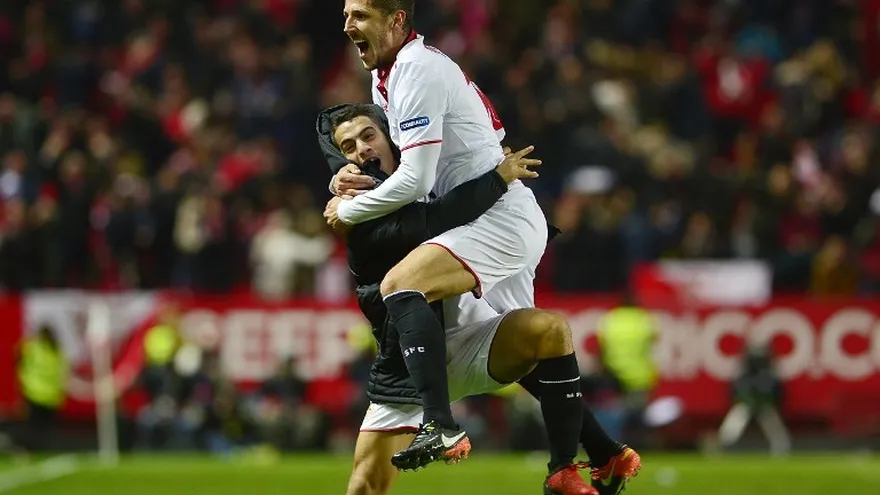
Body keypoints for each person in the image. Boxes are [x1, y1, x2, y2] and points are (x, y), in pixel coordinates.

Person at [318, 103, 640, 495]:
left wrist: (487, 169)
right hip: (411, 367)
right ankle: (446, 424)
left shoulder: (427, 174)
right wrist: (496, 179)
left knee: (549, 329)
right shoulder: (354, 210)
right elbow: (433, 220)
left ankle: (568, 467)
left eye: (368, 136)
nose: (362, 149)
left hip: (474, 340)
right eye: (348, 147)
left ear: (389, 136)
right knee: (366, 487)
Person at [325, 0, 553, 471]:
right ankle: (600, 452)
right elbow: (422, 185)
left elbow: (420, 183)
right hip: (406, 352)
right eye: (345, 14)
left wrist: (347, 210)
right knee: (527, 342)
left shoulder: (414, 73)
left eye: (359, 15)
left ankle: (443, 424)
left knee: (405, 285)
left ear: (397, 19)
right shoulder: (389, 77)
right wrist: (343, 190)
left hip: (442, 315)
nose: (347, 25)